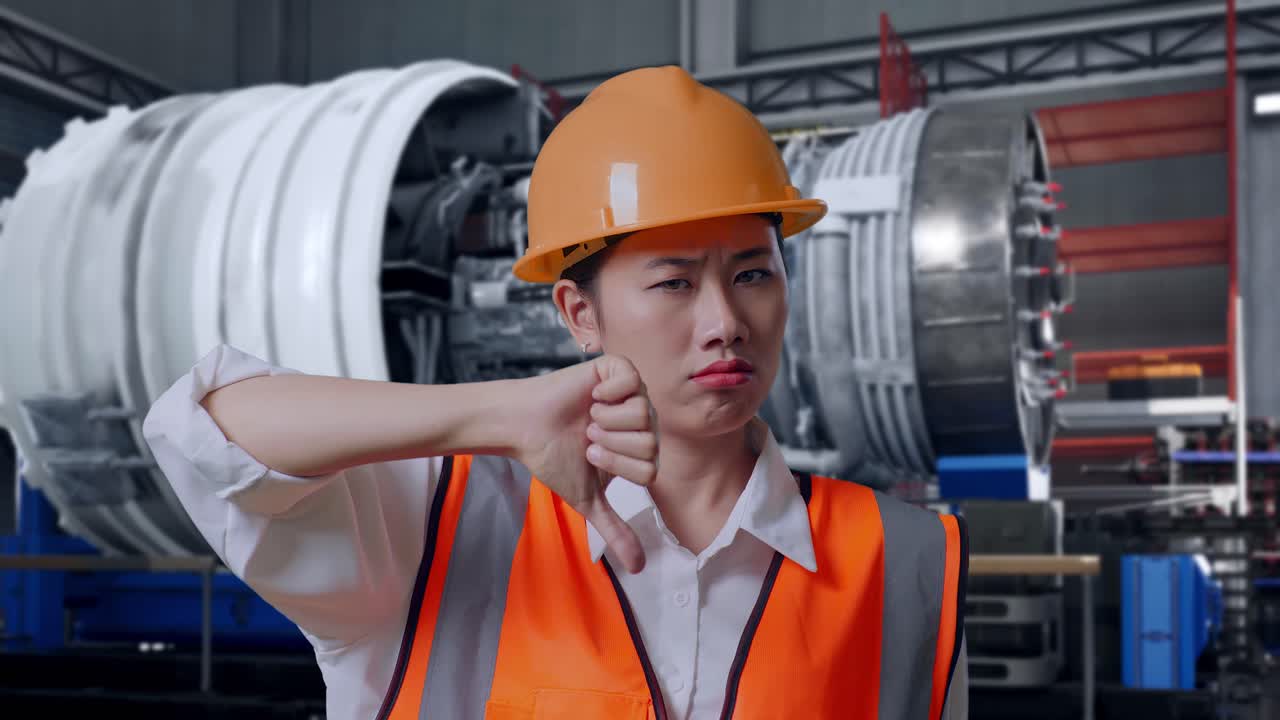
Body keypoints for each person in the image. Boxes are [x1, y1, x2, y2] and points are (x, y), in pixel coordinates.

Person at [143, 65, 968, 720]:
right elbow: (204, 427)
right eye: (675, 283)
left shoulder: (905, 565)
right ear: (579, 314)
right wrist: (497, 413)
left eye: (753, 273)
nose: (726, 322)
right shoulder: (433, 530)